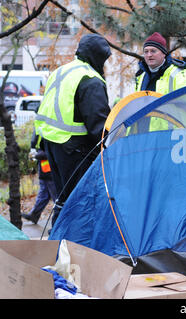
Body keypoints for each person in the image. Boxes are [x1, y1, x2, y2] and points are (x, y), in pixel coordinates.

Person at [34, 33, 111, 227]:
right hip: (74, 148)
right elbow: (99, 125)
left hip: (52, 144)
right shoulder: (90, 79)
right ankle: (73, 246)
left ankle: (58, 243)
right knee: (79, 201)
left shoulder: (61, 71)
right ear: (97, 56)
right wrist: (110, 146)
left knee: (63, 199)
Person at [21, 129, 57, 224]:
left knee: (56, 198)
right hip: (45, 172)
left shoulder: (50, 135)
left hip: (50, 173)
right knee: (43, 195)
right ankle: (34, 215)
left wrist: (37, 155)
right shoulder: (43, 135)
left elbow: (49, 153)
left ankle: (60, 220)